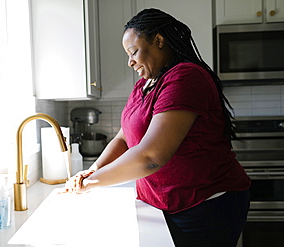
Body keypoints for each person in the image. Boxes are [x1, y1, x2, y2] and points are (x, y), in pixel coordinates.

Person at [63, 8, 251, 247]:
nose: (130, 61)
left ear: (159, 40)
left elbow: (151, 156)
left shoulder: (185, 77)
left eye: (133, 52)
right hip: (165, 203)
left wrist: (92, 183)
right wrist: (92, 170)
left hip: (205, 205)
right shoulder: (144, 85)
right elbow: (123, 139)